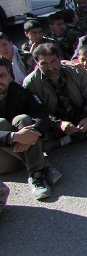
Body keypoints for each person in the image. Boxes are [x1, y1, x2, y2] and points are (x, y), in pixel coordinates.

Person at [23, 43, 87, 153]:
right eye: (44, 63)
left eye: (53, 61)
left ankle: (63, 141)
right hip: (52, 121)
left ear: (60, 59)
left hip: (78, 116)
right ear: (37, 63)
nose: (50, 67)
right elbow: (36, 111)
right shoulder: (31, 83)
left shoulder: (75, 72)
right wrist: (58, 123)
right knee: (37, 132)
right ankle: (70, 136)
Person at [0, 58, 61, 201]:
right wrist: (14, 137)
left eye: (2, 75)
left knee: (23, 120)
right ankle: (41, 166)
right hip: (3, 161)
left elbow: (40, 113)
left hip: (22, 153)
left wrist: (31, 134)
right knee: (1, 123)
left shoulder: (18, 91)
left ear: (10, 76)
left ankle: (36, 174)